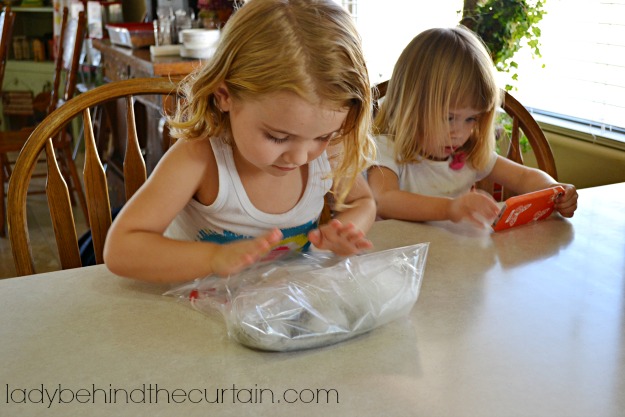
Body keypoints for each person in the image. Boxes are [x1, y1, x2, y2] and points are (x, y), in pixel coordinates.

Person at [103, 0, 377, 283]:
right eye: (278, 137)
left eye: (323, 135)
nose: (299, 157)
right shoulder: (200, 158)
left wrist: (347, 229)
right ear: (225, 95)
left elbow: (363, 201)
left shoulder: (329, 152)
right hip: (192, 311)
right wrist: (213, 258)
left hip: (276, 312)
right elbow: (121, 249)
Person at [367, 26, 578, 227]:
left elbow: (524, 177)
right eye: (449, 118)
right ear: (411, 107)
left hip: (453, 257)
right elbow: (384, 201)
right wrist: (450, 208)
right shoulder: (386, 149)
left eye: (471, 119)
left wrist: (554, 189)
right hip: (400, 260)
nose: (459, 133)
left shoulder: (469, 156)